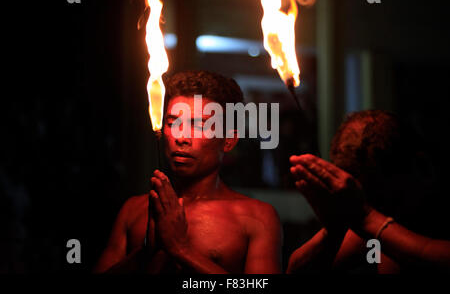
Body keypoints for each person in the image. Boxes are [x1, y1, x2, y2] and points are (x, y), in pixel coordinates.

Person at [94, 70, 282, 274]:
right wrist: (146, 253)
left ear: (228, 140)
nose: (181, 137)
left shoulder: (255, 218)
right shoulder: (133, 211)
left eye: (199, 125)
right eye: (173, 123)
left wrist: (181, 249)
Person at [287, 110, 450, 273]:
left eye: (386, 196)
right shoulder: (380, 216)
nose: (379, 210)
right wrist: (333, 230)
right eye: (368, 199)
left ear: (422, 167)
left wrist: (366, 217)